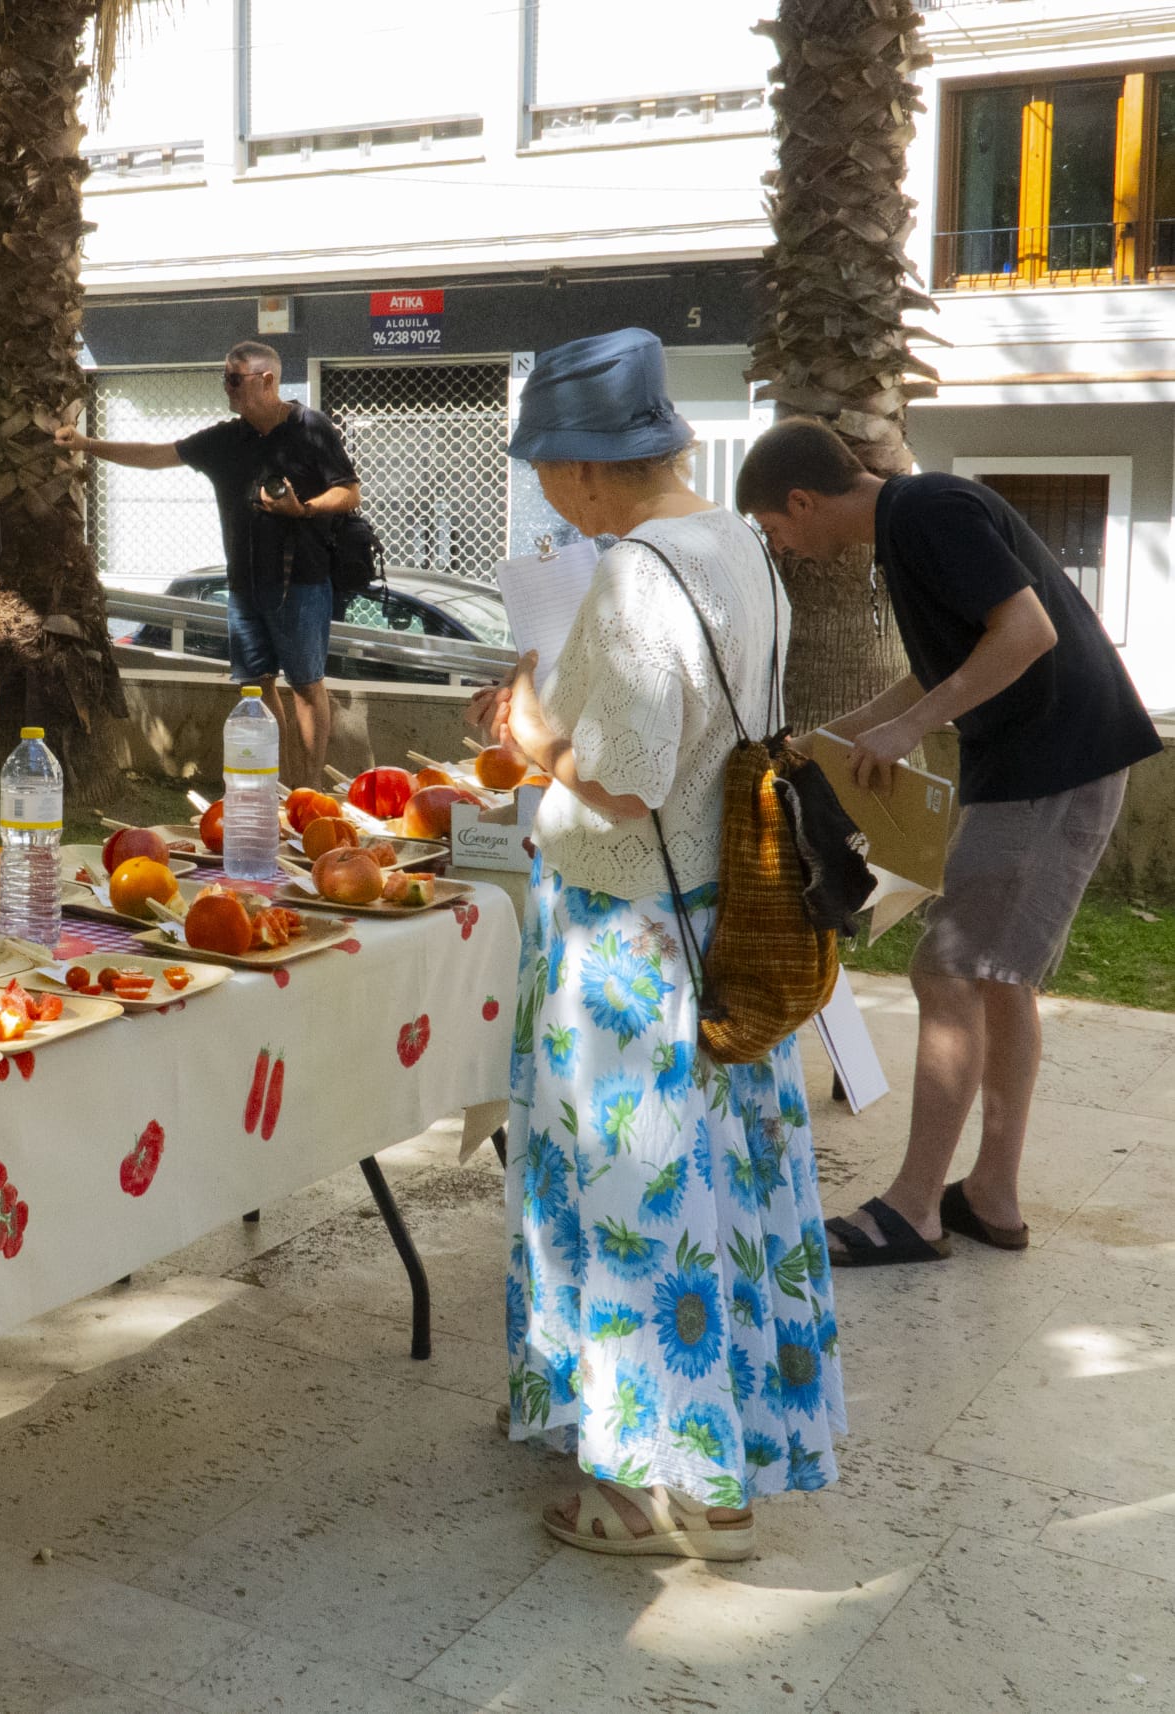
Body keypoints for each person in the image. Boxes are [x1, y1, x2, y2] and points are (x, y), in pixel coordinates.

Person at [472, 329, 843, 1562]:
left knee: (632, 1196)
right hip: (721, 916)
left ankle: (648, 1486)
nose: (550, 500)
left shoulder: (635, 570)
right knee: (721, 1191)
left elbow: (623, 778)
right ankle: (722, 1459)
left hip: (634, 934)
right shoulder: (739, 541)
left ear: (585, 471)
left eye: (548, 474)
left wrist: (527, 728)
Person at [735, 418, 1162, 1266]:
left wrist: (910, 731)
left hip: (1052, 763)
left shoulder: (926, 509)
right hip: (1054, 760)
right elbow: (944, 662)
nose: (783, 549)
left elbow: (1026, 633)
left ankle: (914, 1209)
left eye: (776, 530)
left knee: (947, 968)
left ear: (801, 498)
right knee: (1000, 980)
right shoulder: (914, 522)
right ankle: (990, 1198)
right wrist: (832, 737)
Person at [54, 341, 359, 783]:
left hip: (303, 581)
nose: (227, 389)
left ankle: (309, 790)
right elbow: (155, 454)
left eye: (235, 379)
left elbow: (350, 491)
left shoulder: (310, 427)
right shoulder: (226, 439)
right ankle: (279, 787)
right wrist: (85, 443)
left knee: (307, 684)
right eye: (225, 379)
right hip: (244, 584)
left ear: (268, 380)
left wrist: (303, 509)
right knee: (256, 686)